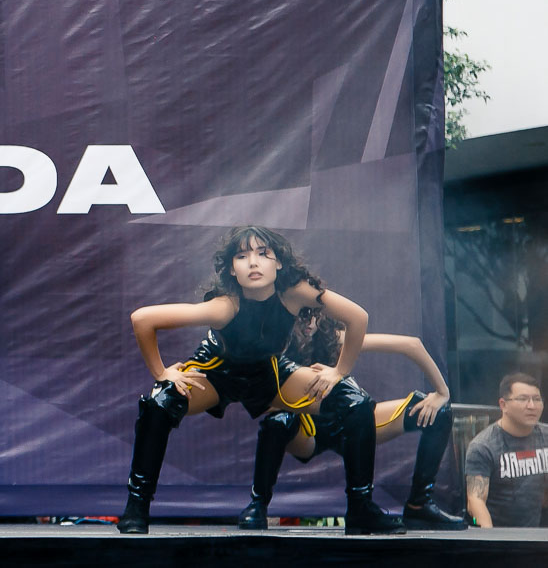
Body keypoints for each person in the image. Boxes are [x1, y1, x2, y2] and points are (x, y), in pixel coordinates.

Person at [118, 226, 404, 535]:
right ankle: (137, 507)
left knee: (355, 401)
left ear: (278, 263)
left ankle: (361, 509)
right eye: (242, 256)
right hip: (217, 371)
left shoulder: (295, 292)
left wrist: (339, 371)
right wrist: (162, 373)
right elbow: (143, 319)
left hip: (269, 372)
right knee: (160, 402)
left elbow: (357, 317)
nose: (253, 262)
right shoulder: (225, 306)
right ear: (232, 269)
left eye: (263, 254)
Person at [240, 310, 465, 530]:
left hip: (353, 424)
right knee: (277, 421)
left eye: (314, 315)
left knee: (439, 412)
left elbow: (411, 345)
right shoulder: (275, 341)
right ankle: (258, 504)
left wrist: (442, 392)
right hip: (306, 430)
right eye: (302, 316)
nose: (309, 323)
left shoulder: (333, 338)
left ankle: (419, 504)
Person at [465, 373, 547, 527]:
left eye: (537, 399)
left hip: (538, 533)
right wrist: (489, 536)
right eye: (522, 399)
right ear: (503, 405)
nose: (532, 406)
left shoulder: (545, 436)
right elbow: (475, 501)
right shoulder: (483, 446)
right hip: (501, 534)